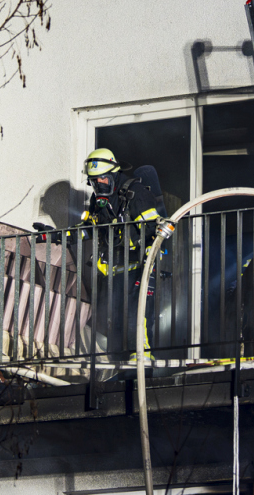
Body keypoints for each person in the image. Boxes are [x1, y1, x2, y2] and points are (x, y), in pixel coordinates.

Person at [78, 148, 160, 364]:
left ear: (115, 174)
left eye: (103, 179)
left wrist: (150, 257)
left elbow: (156, 229)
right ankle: (115, 362)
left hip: (140, 265)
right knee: (112, 317)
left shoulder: (136, 192)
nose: (100, 186)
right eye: (94, 182)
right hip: (114, 268)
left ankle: (142, 360)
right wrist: (57, 235)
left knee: (137, 313)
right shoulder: (100, 200)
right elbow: (89, 228)